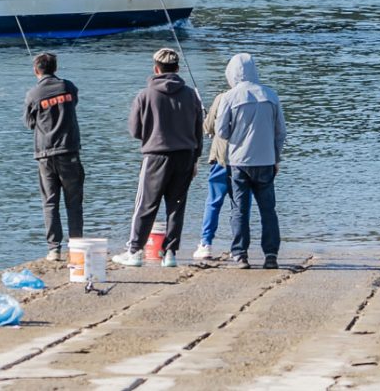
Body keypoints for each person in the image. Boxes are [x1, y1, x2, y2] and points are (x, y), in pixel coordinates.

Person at [112, 47, 203, 269]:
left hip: (155, 156)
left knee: (145, 204)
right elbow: (197, 130)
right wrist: (195, 159)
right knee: (176, 206)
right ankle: (170, 253)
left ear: (156, 68)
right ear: (178, 69)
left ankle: (135, 252)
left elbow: (135, 130)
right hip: (185, 156)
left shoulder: (145, 95)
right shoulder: (191, 94)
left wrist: (153, 133)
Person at [214, 52, 286, 269]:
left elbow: (221, 132)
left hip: (239, 162)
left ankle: (240, 254)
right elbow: (280, 132)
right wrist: (276, 157)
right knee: (268, 210)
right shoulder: (271, 95)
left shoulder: (229, 97)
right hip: (266, 160)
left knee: (239, 209)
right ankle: (271, 255)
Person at [24, 51, 84, 261]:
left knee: (50, 202)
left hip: (45, 154)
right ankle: (76, 246)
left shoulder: (33, 94)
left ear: (36, 70)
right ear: (55, 68)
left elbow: (29, 123)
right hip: (69, 151)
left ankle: (54, 249)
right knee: (73, 202)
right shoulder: (69, 87)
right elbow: (73, 104)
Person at [194, 83, 232, 262]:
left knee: (214, 202)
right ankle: (239, 246)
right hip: (247, 161)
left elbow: (207, 127)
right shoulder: (258, 96)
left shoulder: (222, 98)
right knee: (241, 204)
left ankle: (206, 244)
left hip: (222, 158)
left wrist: (210, 122)